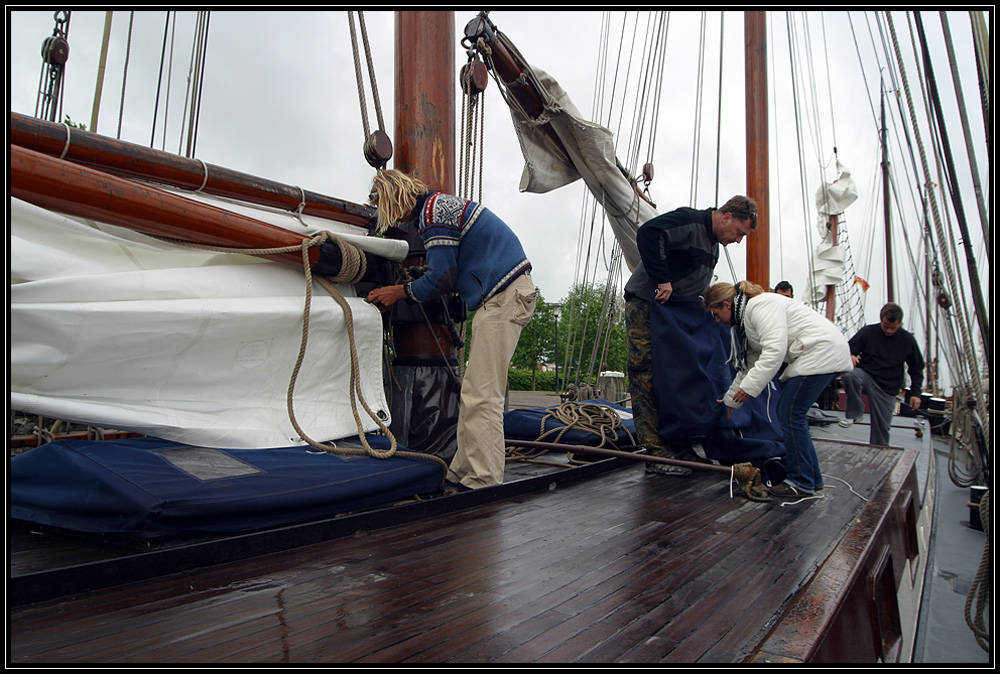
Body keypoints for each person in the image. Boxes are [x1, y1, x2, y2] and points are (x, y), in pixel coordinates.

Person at [366, 169, 536, 490]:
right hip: (502, 295)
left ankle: (484, 480)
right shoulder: (436, 209)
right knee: (473, 391)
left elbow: (443, 277)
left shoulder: (433, 213)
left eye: (385, 207)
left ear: (393, 198)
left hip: (503, 297)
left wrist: (398, 292)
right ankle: (460, 471)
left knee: (482, 395)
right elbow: (445, 272)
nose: (391, 218)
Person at [623, 196, 757, 475]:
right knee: (646, 375)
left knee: (678, 376)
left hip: (675, 317)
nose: (738, 240)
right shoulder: (689, 221)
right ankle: (656, 453)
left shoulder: (713, 247)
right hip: (647, 307)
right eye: (740, 233)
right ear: (727, 218)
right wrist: (662, 279)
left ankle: (678, 444)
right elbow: (649, 233)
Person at [705, 280, 853, 498]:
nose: (717, 321)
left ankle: (800, 481)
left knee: (790, 414)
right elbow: (750, 366)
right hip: (820, 353)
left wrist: (747, 391)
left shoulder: (759, 306)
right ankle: (812, 479)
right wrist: (730, 401)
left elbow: (774, 351)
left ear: (727, 305)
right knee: (793, 415)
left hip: (820, 353)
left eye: (717, 314)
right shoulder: (746, 321)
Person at [839, 302, 924, 446]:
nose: (889, 331)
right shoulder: (868, 332)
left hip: (888, 387)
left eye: (893, 328)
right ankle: (855, 413)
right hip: (866, 376)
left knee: (882, 428)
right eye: (886, 327)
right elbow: (847, 348)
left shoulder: (907, 340)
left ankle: (878, 451)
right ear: (881, 320)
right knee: (850, 375)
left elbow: (916, 367)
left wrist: (916, 392)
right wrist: (851, 355)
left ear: (900, 324)